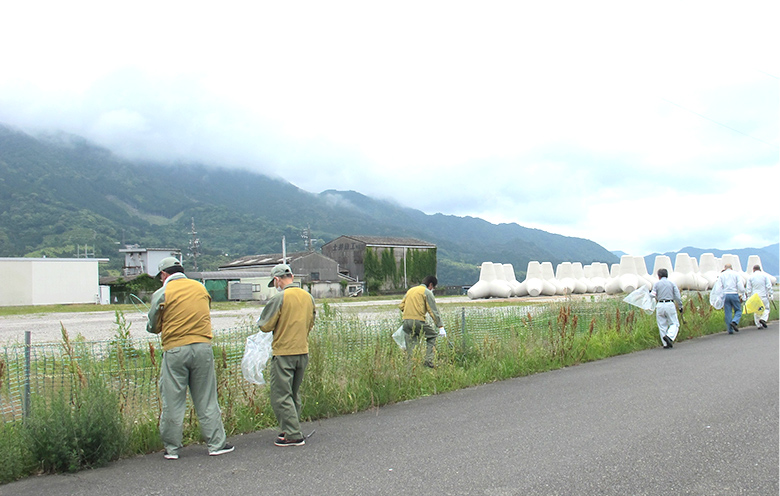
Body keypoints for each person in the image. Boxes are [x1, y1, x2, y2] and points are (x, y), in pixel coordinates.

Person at [147, 257, 234, 459]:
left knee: (173, 400)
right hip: (203, 347)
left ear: (164, 275)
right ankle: (216, 445)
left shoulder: (162, 293)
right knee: (206, 398)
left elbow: (153, 326)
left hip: (175, 350)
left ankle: (172, 448)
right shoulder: (200, 288)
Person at [256, 264, 316, 447]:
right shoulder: (308, 297)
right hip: (302, 350)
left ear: (277, 279)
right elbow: (311, 321)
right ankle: (290, 427)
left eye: (275, 282)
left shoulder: (280, 298)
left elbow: (265, 325)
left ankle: (292, 434)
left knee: (280, 395)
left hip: (284, 352)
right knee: (293, 393)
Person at [399, 275, 446, 367]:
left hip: (406, 321)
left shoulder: (410, 290)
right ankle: (428, 360)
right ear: (430, 285)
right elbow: (433, 311)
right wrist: (440, 326)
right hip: (418, 321)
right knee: (432, 336)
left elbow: (401, 306)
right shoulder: (426, 292)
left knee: (411, 344)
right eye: (433, 287)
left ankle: (410, 367)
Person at [650, 268, 683, 349]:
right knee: (674, 323)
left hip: (660, 305)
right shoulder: (672, 283)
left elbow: (652, 295)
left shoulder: (656, 284)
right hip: (669, 304)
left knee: (662, 325)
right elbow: (677, 296)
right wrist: (680, 306)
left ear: (659, 276)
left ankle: (665, 344)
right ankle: (669, 336)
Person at [713, 263, 746, 334]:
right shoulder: (736, 274)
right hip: (734, 294)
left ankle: (730, 329)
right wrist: (742, 293)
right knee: (738, 310)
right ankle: (735, 321)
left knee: (728, 312)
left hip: (725, 295)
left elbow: (718, 287)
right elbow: (740, 286)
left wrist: (719, 296)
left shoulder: (722, 275)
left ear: (724, 268)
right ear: (731, 268)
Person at [746, 264, 773, 329]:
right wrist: (770, 294)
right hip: (763, 295)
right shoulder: (765, 276)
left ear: (753, 270)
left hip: (755, 296)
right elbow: (768, 286)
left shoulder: (750, 277)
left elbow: (748, 288)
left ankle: (758, 324)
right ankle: (763, 319)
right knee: (766, 309)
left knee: (757, 310)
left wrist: (749, 296)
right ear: (760, 269)